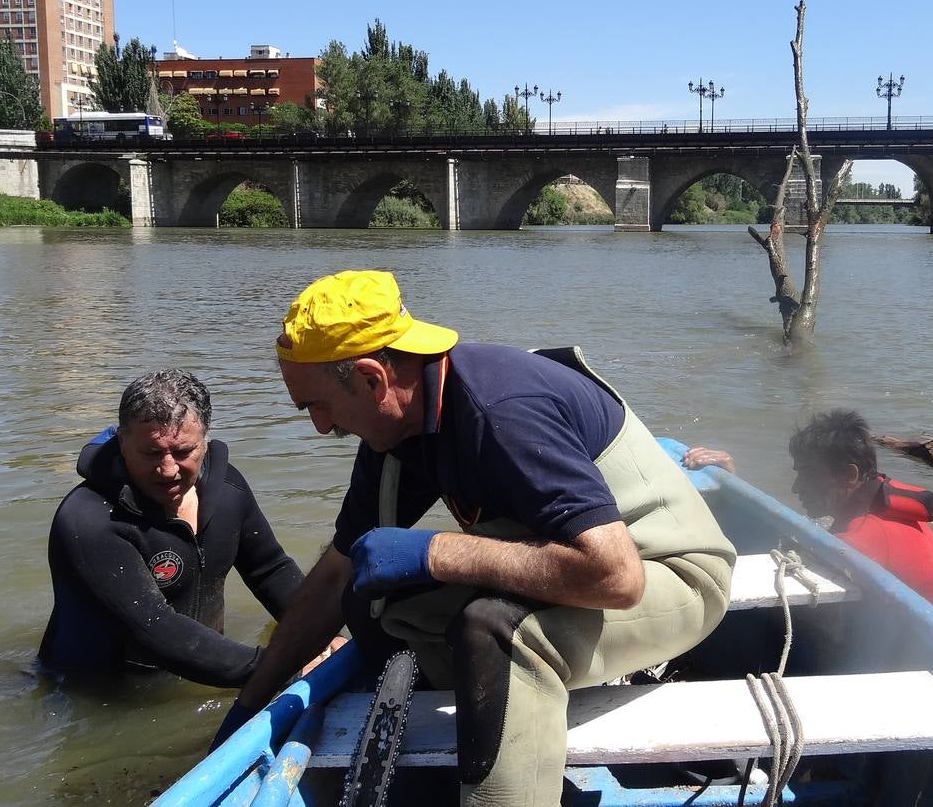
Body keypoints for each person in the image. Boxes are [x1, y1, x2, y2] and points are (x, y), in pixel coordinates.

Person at [221, 270, 736, 806]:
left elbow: (616, 578)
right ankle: (449, 764)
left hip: (672, 578)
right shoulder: (396, 429)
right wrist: (250, 706)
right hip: (576, 573)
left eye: (317, 405)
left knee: (497, 630)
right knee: (368, 600)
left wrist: (437, 551)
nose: (321, 426)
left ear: (373, 380)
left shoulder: (502, 411)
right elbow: (334, 576)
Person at [38, 370, 306, 687]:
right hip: (104, 694)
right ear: (122, 442)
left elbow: (270, 569)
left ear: (204, 441)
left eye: (183, 452)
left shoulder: (227, 490)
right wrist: (278, 668)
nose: (167, 470)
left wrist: (322, 634)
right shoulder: (89, 520)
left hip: (208, 668)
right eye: (152, 453)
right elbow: (155, 629)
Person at [683, 409, 933, 618]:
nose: (796, 487)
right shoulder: (885, 499)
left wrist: (726, 497)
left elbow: (775, 562)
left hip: (909, 659)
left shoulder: (863, 538)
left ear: (849, 475)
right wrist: (731, 480)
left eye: (808, 475)